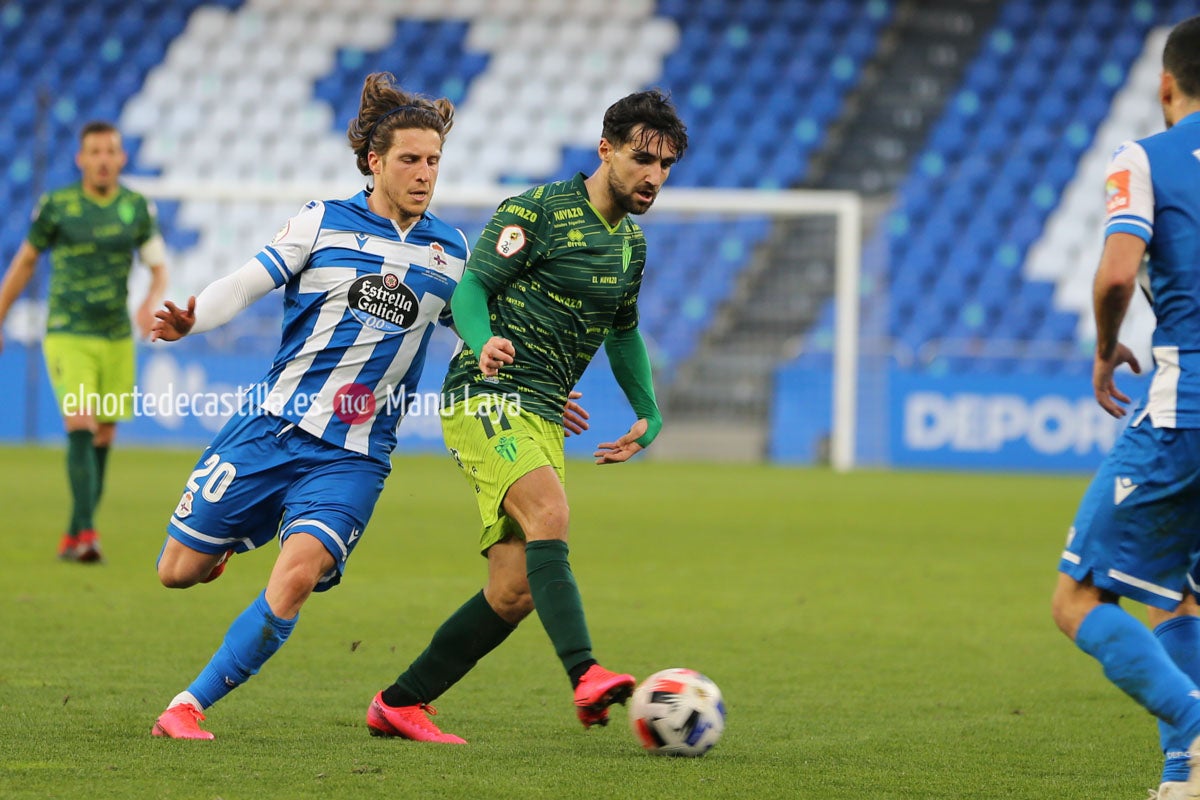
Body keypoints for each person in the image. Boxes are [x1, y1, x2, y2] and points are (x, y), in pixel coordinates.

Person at [146, 73, 468, 740]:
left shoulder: (452, 252)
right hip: (271, 428)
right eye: (410, 159)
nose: (423, 173)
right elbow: (245, 283)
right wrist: (192, 318)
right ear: (375, 161)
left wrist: (527, 374)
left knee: (296, 577)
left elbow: (480, 333)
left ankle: (186, 707)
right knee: (177, 573)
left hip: (353, 455)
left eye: (433, 160)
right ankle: (234, 538)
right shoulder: (322, 222)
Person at [366, 89, 688, 743]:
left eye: (665, 165)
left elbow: (623, 332)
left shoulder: (631, 246)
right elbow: (471, 289)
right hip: (484, 397)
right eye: (641, 158)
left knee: (514, 590)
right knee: (552, 516)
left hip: (540, 411)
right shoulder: (537, 211)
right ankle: (586, 674)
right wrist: (484, 342)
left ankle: (401, 703)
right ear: (606, 150)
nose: (653, 176)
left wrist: (648, 414)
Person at [1051, 16, 1200, 800]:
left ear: (1166, 86)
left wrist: (1108, 345)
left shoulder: (1146, 156)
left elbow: (1115, 277)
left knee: (1078, 598)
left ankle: (1195, 723)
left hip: (1188, 407)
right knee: (1181, 588)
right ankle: (1187, 773)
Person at [0, 121, 168, 563]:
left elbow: (159, 267)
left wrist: (150, 300)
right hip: (68, 332)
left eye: (110, 151)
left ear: (121, 158)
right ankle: (89, 533)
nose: (102, 159)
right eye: (94, 152)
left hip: (115, 336)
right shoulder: (57, 206)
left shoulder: (136, 208)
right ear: (81, 159)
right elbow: (24, 263)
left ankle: (75, 532)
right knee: (81, 419)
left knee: (105, 432)